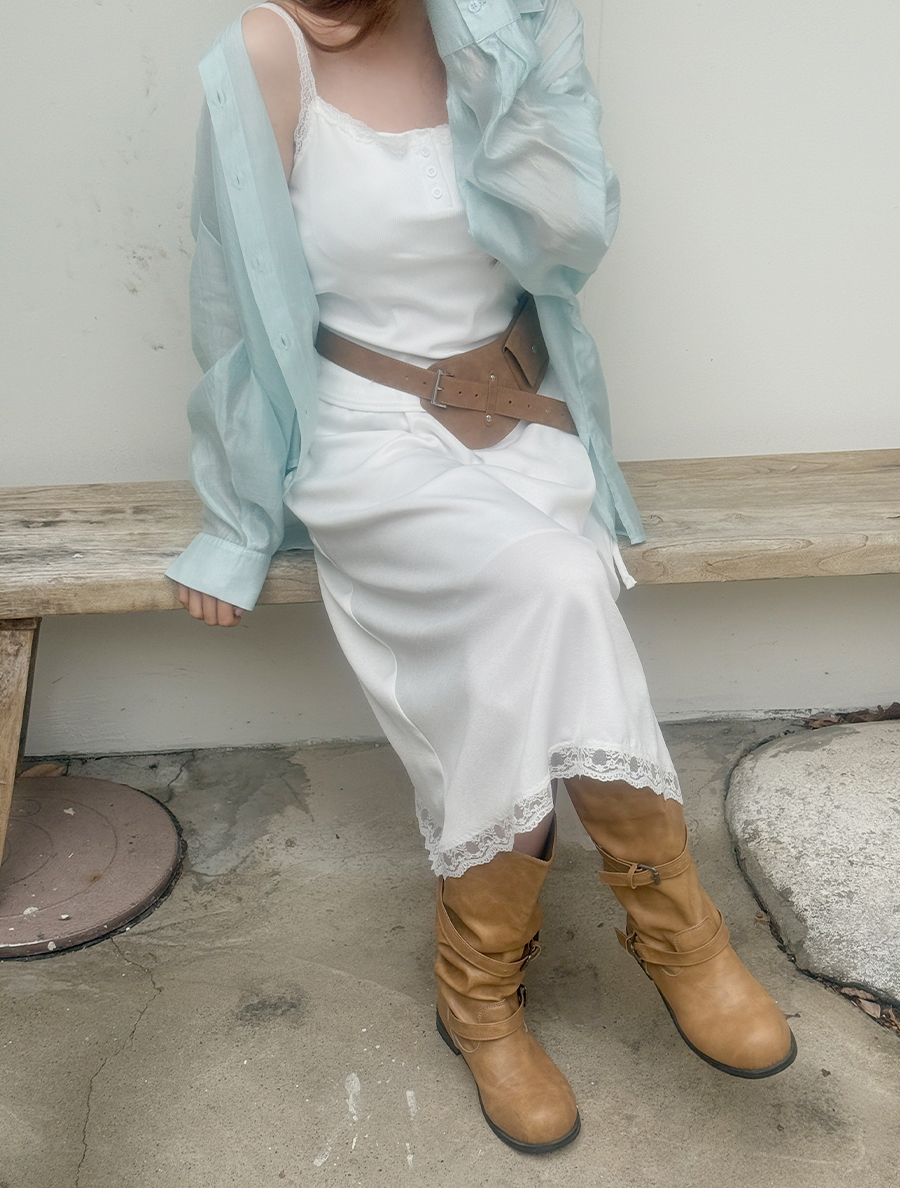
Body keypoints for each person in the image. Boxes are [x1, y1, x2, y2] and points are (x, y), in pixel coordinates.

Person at [167, 0, 796, 1155]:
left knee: (527, 643)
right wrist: (235, 520)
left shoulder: (515, 27)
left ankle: (479, 996)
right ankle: (680, 938)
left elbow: (568, 239)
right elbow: (232, 301)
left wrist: (494, 39)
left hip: (525, 420)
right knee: (558, 586)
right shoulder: (266, 50)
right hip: (370, 438)